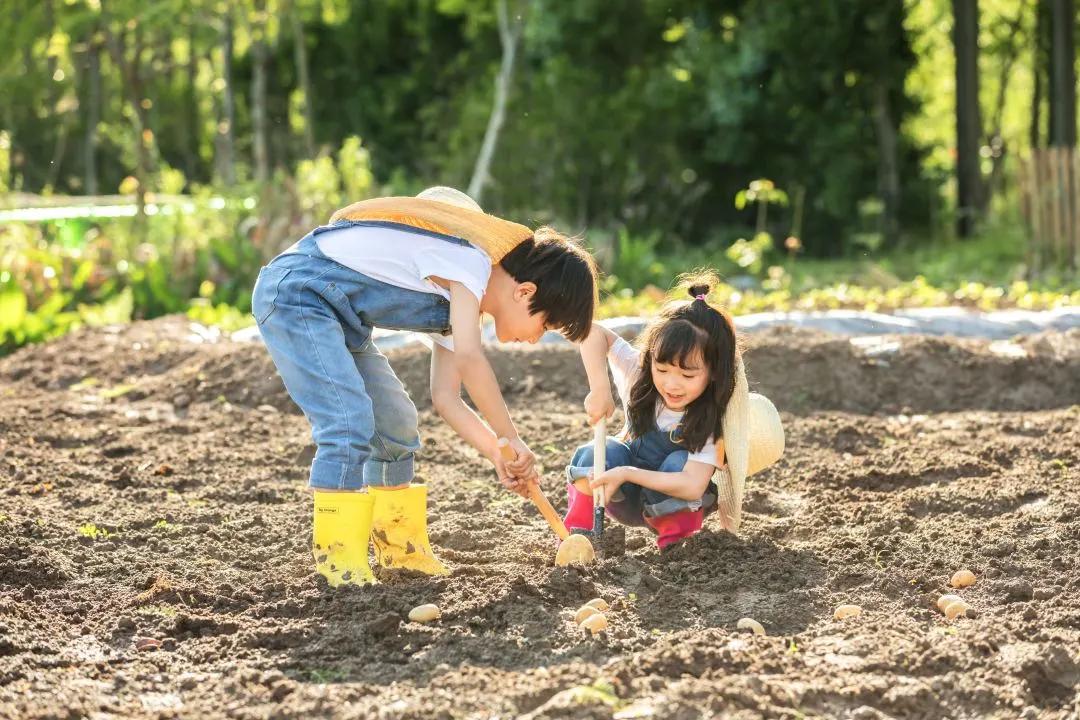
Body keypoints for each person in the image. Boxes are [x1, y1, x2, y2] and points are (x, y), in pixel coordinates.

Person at [252, 187, 598, 586]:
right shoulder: (470, 261)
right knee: (348, 421)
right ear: (525, 293)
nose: (536, 339)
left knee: (396, 422)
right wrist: (510, 436)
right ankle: (339, 562)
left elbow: (447, 398)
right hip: (298, 296)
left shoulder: (461, 308)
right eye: (545, 327)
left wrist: (498, 453)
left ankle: (398, 549)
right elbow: (470, 359)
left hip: (341, 321)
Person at [566, 271, 784, 548]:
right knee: (598, 452)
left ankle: (676, 551)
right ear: (651, 359)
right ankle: (580, 537)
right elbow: (593, 332)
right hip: (623, 497)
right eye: (662, 369)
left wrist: (627, 473)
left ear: (714, 373)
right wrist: (599, 389)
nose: (671, 384)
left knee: (678, 462)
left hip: (673, 506)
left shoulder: (712, 421)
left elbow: (692, 485)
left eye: (688, 375)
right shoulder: (640, 376)